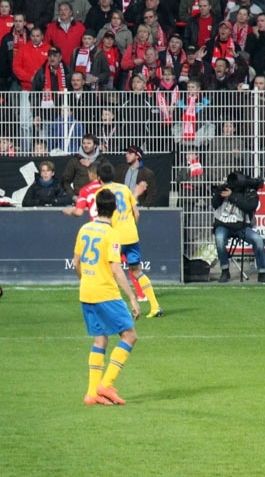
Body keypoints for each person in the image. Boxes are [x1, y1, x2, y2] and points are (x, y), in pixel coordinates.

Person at [74, 188, 140, 406]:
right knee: (129, 336)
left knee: (100, 339)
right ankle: (106, 384)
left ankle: (92, 394)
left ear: (95, 206)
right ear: (114, 209)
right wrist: (132, 297)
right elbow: (116, 268)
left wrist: (86, 280)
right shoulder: (111, 233)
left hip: (86, 292)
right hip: (105, 293)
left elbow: (76, 263)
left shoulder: (84, 229)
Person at [99, 162, 163, 318]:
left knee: (109, 271)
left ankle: (112, 310)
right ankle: (155, 307)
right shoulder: (125, 189)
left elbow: (103, 217)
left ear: (99, 178)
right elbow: (137, 213)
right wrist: (130, 227)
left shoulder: (101, 193)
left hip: (116, 237)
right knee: (137, 271)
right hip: (132, 235)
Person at [212, 171, 265, 284]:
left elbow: (250, 206)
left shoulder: (249, 191)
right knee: (219, 238)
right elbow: (214, 204)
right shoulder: (224, 189)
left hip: (242, 226)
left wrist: (232, 196)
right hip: (223, 224)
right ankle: (225, 270)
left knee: (257, 239)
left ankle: (263, 272)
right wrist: (218, 192)